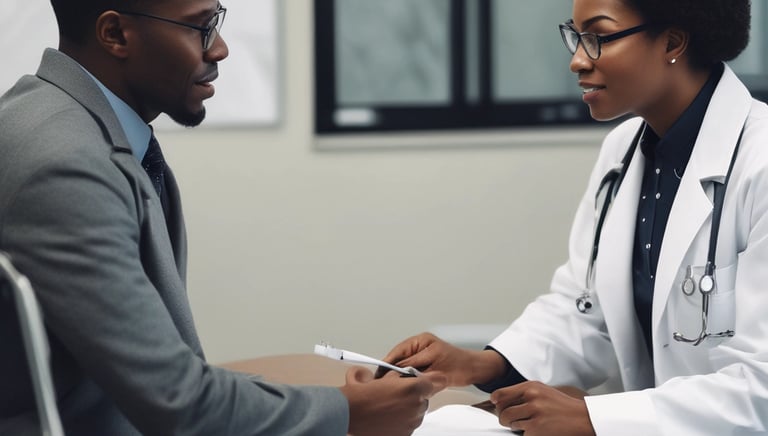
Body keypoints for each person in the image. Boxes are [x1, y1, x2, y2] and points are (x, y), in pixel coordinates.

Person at [0, 0, 444, 434]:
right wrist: (348, 414)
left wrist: (338, 405)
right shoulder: (67, 167)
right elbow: (178, 403)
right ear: (115, 34)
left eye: (217, 21)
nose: (219, 48)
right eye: (199, 27)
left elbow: (167, 378)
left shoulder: (51, 119)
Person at [380, 0, 768, 435]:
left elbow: (762, 389)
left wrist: (592, 418)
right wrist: (479, 364)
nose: (577, 60)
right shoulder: (621, 153)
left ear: (672, 42)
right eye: (577, 36)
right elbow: (587, 312)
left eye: (598, 38)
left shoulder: (760, 162)